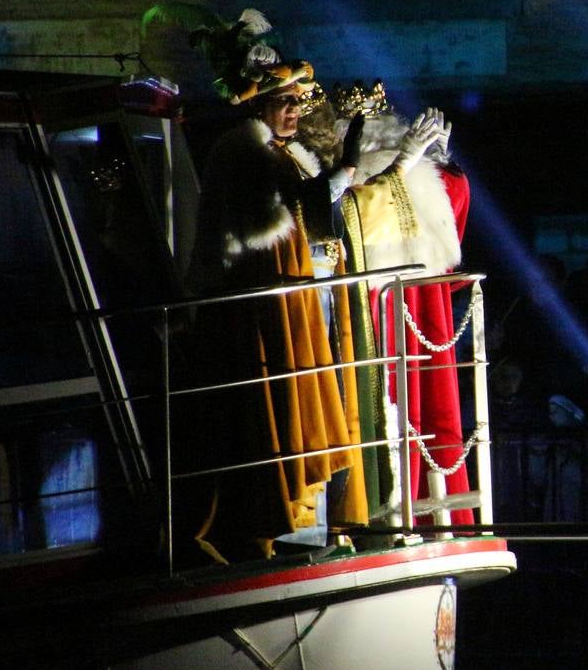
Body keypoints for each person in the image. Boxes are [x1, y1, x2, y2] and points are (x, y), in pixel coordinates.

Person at [182, 68, 369, 564]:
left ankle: (303, 519)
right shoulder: (245, 151)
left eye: (298, 102)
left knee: (301, 397)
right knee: (276, 404)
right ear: (258, 105)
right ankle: (272, 522)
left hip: (291, 298)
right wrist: (346, 165)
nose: (295, 111)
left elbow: (308, 214)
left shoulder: (277, 151)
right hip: (261, 308)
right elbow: (291, 210)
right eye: (285, 101)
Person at [335, 88, 476, 529]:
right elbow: (355, 220)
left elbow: (449, 221)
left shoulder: (414, 169)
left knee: (435, 414)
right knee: (397, 412)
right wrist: (404, 166)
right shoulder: (356, 174)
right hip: (377, 306)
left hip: (421, 298)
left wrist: (443, 161)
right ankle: (393, 515)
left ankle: (440, 514)